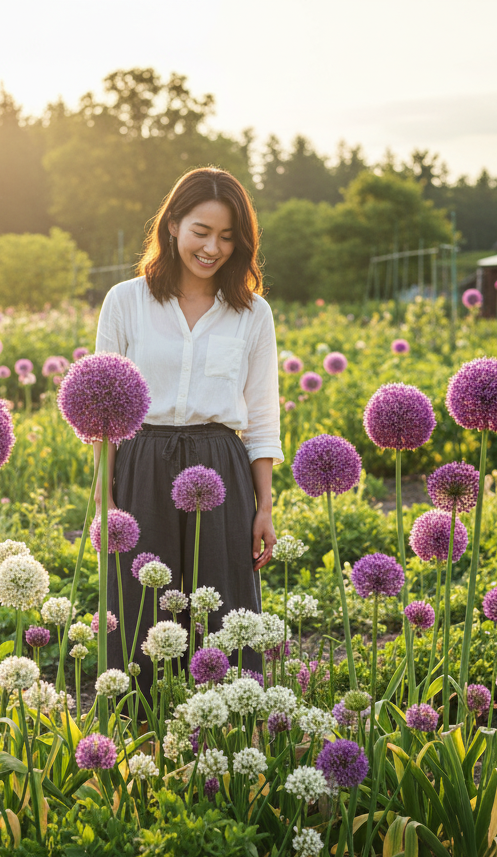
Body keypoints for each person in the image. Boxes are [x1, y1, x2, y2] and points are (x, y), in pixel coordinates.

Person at [93, 166, 282, 680]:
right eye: (201, 231)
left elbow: (263, 417)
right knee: (138, 611)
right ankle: (142, 739)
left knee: (224, 612)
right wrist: (104, 499)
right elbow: (102, 413)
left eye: (227, 237)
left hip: (222, 465)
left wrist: (265, 506)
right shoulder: (125, 301)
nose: (212, 248)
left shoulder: (252, 313)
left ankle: (223, 739)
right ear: (173, 224)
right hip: (141, 464)